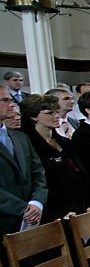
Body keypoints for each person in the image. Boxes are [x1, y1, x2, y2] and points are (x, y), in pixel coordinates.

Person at [19, 95, 90, 222]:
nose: (56, 116)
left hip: (82, 207)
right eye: (49, 113)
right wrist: (60, 213)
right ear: (33, 116)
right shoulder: (28, 146)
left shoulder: (65, 143)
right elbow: (39, 183)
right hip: (55, 214)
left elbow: (83, 174)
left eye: (56, 112)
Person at [0, 86, 46, 234]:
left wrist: (36, 203)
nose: (12, 104)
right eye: (5, 100)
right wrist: (23, 209)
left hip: (34, 217)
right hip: (5, 221)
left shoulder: (20, 137)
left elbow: (38, 172)